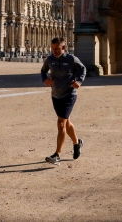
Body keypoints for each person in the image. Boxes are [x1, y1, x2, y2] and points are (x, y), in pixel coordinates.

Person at [41, 37, 86, 165]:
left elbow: (83, 69)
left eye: (57, 48)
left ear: (64, 48)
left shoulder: (71, 59)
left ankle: (57, 155)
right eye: (53, 48)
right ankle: (77, 143)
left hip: (69, 94)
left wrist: (79, 81)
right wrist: (44, 79)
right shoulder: (50, 59)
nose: (54, 51)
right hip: (55, 94)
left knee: (61, 123)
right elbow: (43, 71)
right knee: (66, 123)